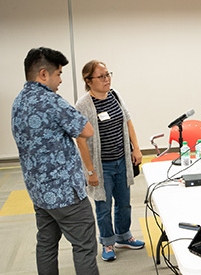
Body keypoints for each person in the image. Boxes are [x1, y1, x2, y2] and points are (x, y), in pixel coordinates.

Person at [11, 47, 99, 275]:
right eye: (58, 74)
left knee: (46, 245)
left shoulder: (18, 102)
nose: (60, 80)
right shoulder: (51, 101)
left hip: (39, 192)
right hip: (65, 194)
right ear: (43, 74)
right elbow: (86, 130)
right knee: (84, 245)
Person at [75, 60, 145, 262]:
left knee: (124, 203)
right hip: (101, 165)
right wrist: (90, 170)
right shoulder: (83, 104)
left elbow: (128, 121)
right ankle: (107, 241)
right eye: (101, 76)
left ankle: (124, 236)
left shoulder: (115, 95)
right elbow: (81, 140)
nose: (107, 79)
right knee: (103, 206)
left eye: (108, 74)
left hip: (122, 160)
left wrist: (136, 148)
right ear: (89, 81)